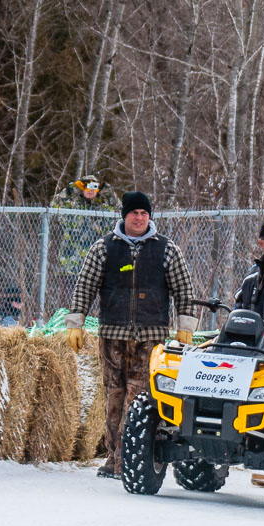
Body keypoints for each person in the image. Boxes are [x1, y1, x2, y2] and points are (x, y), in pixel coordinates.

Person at [64, 191, 196, 480]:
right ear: (124, 215)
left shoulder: (166, 249)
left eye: (144, 213)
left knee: (139, 399)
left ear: (150, 217)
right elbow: (84, 285)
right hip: (112, 334)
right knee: (113, 396)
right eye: (134, 213)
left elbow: (184, 289)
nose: (139, 218)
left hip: (151, 337)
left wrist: (185, 326)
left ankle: (130, 458)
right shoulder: (104, 248)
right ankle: (113, 458)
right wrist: (76, 321)